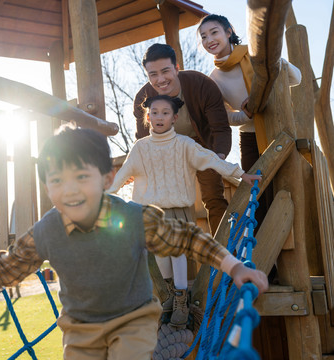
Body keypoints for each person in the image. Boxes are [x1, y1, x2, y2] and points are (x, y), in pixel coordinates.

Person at [0, 125, 268, 360]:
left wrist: (234, 266)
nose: (70, 189)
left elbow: (187, 238)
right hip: (80, 331)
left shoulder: (131, 218)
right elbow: (3, 269)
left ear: (107, 177)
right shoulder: (47, 231)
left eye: (82, 176)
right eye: (57, 180)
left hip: (133, 319)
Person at [108, 95, 262, 329]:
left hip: (178, 210)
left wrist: (240, 174)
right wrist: (105, 194)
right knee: (161, 258)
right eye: (155, 112)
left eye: (165, 113)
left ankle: (181, 298)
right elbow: (123, 174)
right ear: (148, 117)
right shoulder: (140, 148)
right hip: (151, 213)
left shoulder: (184, 145)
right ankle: (169, 293)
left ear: (174, 118)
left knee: (178, 252)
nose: (159, 117)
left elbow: (211, 160)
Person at [198, 14, 301, 229]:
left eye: (214, 32)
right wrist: (246, 114)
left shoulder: (255, 55)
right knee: (257, 194)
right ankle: (265, 255)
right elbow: (224, 116)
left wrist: (274, 62)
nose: (209, 40)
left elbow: (296, 79)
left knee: (289, 183)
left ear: (228, 32)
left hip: (280, 127)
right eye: (204, 36)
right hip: (250, 138)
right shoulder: (214, 78)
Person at [133, 43, 232, 235]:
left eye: (165, 71)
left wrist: (218, 157)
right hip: (166, 149)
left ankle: (227, 250)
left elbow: (220, 128)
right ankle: (175, 252)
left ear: (176, 68)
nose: (160, 79)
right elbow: (143, 140)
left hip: (201, 144)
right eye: (153, 74)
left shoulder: (201, 84)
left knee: (213, 196)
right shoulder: (142, 99)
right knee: (166, 203)